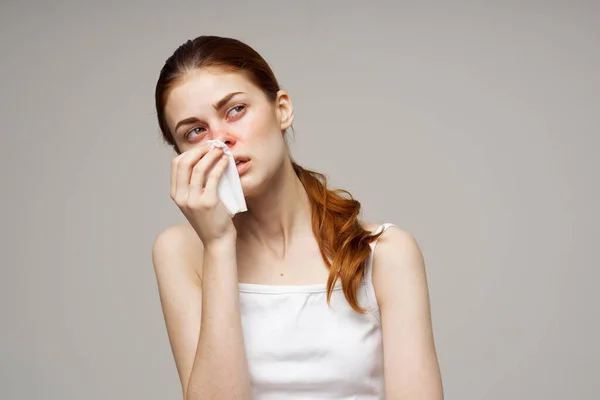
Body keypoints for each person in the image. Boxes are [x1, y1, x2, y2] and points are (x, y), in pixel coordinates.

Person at [151, 35, 443, 400]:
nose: (220, 140)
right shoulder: (182, 252)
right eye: (195, 131)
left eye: (235, 110)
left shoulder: (386, 252)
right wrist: (219, 243)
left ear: (282, 109)